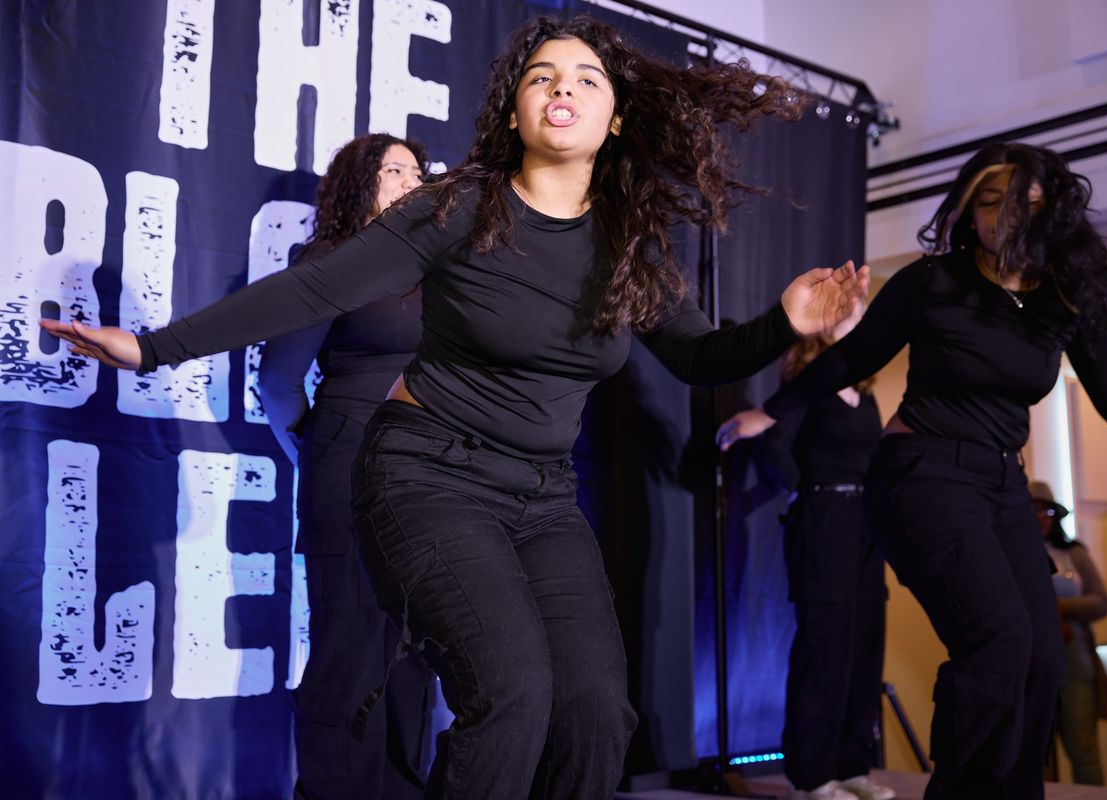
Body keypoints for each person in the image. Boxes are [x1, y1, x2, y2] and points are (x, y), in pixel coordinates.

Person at [41, 14, 869, 799]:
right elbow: (314, 286)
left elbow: (698, 355)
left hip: (542, 497)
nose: (561, 88)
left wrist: (784, 324)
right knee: (511, 692)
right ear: (515, 107)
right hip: (425, 475)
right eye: (541, 76)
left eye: (585, 77)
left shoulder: (628, 243)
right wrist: (152, 346)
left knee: (595, 716)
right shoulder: (462, 207)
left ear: (615, 119)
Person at [717, 141, 1107, 799]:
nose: (1004, 218)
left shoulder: (1063, 300)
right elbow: (848, 356)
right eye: (989, 203)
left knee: (1042, 657)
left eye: (1023, 204)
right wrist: (768, 414)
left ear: (1049, 213)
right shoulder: (933, 282)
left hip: (1001, 483)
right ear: (968, 211)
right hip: (922, 472)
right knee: (999, 640)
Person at [258, 133, 437, 800]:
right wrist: (316, 448)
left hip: (429, 479)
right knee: (352, 650)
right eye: (395, 170)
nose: (411, 181)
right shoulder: (330, 262)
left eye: (418, 172)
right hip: (351, 467)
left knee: (414, 654)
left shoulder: (437, 273)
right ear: (359, 182)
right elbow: (277, 381)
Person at [730, 310, 891, 800]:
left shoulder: (864, 391)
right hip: (823, 520)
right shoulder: (805, 383)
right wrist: (806, 493)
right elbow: (773, 444)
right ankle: (811, 773)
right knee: (824, 646)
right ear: (827, 324)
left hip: (867, 523)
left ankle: (851, 763)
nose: (861, 323)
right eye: (854, 316)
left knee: (865, 642)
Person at [1031, 480, 1107, 786]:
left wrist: (1063, 607)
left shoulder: (1073, 553)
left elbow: (1102, 601)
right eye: (1033, 510)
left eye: (1046, 511)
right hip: (1034, 661)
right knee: (1035, 750)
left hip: (1074, 659)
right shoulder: (1013, 552)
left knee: (1084, 749)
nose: (1040, 517)